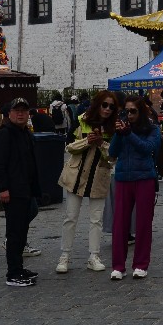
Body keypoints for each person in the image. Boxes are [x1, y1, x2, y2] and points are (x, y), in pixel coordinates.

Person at [56, 90, 116, 274]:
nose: (107, 109)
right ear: (97, 104)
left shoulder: (114, 127)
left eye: (111, 107)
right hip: (77, 176)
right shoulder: (81, 120)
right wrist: (87, 142)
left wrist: (101, 144)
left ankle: (94, 256)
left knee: (96, 219)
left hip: (99, 176)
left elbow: (113, 157)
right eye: (104, 105)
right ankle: (64, 256)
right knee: (71, 217)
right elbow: (69, 147)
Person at [108, 96, 160, 280]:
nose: (129, 115)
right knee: (120, 223)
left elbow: (148, 148)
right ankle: (118, 266)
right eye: (126, 111)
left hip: (145, 177)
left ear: (141, 112)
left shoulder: (153, 129)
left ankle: (140, 264)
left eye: (133, 111)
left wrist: (129, 133)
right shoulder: (122, 129)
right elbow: (112, 152)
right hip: (123, 178)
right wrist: (119, 133)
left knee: (143, 223)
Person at [0, 98, 42, 287]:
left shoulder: (25, 134)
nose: (20, 114)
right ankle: (13, 273)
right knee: (14, 233)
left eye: (24, 110)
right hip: (13, 192)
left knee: (22, 231)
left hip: (25, 190)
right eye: (17, 111)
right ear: (9, 114)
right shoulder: (5, 134)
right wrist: (2, 188)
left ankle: (19, 268)